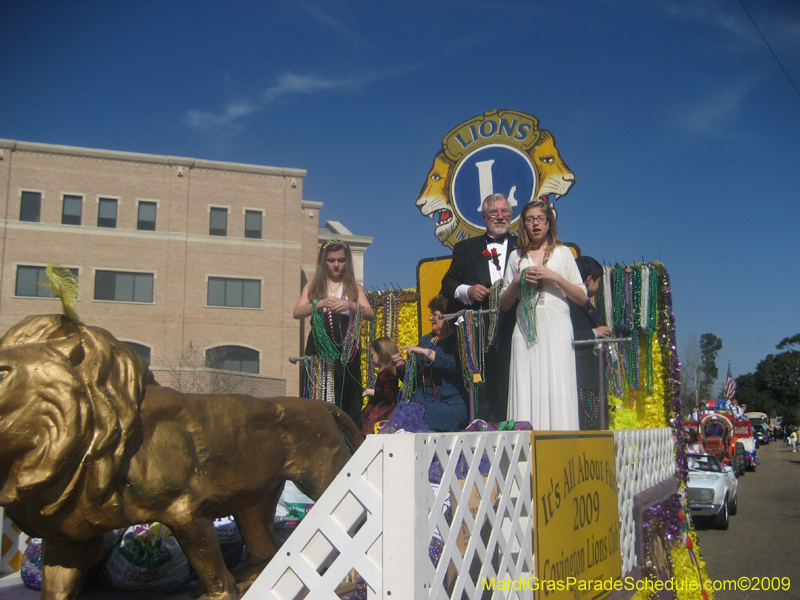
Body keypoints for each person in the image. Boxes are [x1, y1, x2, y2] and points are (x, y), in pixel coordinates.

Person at [500, 200, 587, 430]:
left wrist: (553, 276)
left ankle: (561, 443)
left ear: (549, 223)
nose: (535, 224)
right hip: (525, 327)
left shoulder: (563, 253)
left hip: (556, 325)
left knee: (557, 384)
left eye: (541, 218)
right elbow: (504, 303)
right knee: (525, 383)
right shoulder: (516, 257)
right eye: (530, 219)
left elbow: (581, 296)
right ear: (523, 225)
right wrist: (517, 280)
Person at [440, 193, 517, 422]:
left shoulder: (522, 246)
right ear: (484, 217)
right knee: (482, 383)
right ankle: (484, 431)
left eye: (505, 212)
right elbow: (447, 285)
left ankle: (516, 425)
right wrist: (468, 291)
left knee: (513, 379)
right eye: (494, 213)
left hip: (516, 325)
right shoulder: (465, 248)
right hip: (480, 329)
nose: (500, 217)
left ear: (511, 216)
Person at [293, 239, 374, 425]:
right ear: (324, 262)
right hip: (319, 351)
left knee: (347, 393)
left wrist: (350, 305)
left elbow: (369, 313)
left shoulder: (354, 288)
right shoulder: (313, 287)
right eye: (331, 260)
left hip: (346, 352)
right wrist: (319, 304)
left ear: (347, 262)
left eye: (341, 260)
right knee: (319, 391)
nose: (336, 265)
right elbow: (297, 312)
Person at [400, 295, 469, 432]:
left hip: (449, 403)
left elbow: (455, 364)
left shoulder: (458, 338)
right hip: (421, 399)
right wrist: (401, 366)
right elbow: (412, 378)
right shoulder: (426, 340)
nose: (430, 318)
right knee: (403, 414)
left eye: (435, 315)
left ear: (447, 317)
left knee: (420, 418)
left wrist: (427, 353)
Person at [568, 256, 612, 430]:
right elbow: (568, 335)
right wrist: (594, 332)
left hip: (594, 376)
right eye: (598, 281)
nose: (599, 287)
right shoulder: (569, 304)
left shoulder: (588, 305)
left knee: (597, 420)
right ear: (589, 279)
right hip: (580, 376)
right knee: (584, 421)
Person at [360, 337, 400, 435]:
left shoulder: (387, 372)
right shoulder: (387, 371)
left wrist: (371, 392)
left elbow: (388, 394)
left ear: (381, 355)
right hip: (383, 406)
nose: (371, 358)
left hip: (385, 409)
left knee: (369, 423)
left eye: (372, 355)